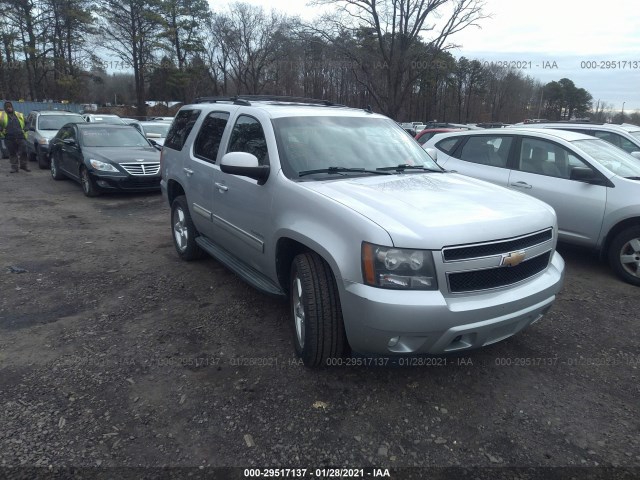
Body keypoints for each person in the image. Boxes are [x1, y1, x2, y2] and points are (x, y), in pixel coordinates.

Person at [0, 101, 30, 172]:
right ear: (5, 108)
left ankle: (23, 165)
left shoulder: (19, 114)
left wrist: (25, 129)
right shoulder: (1, 115)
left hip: (20, 136)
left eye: (10, 107)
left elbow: (27, 123)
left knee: (24, 150)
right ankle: (14, 167)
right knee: (12, 152)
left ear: (12, 107)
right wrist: (1, 129)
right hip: (8, 137)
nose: (9, 108)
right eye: (7, 107)